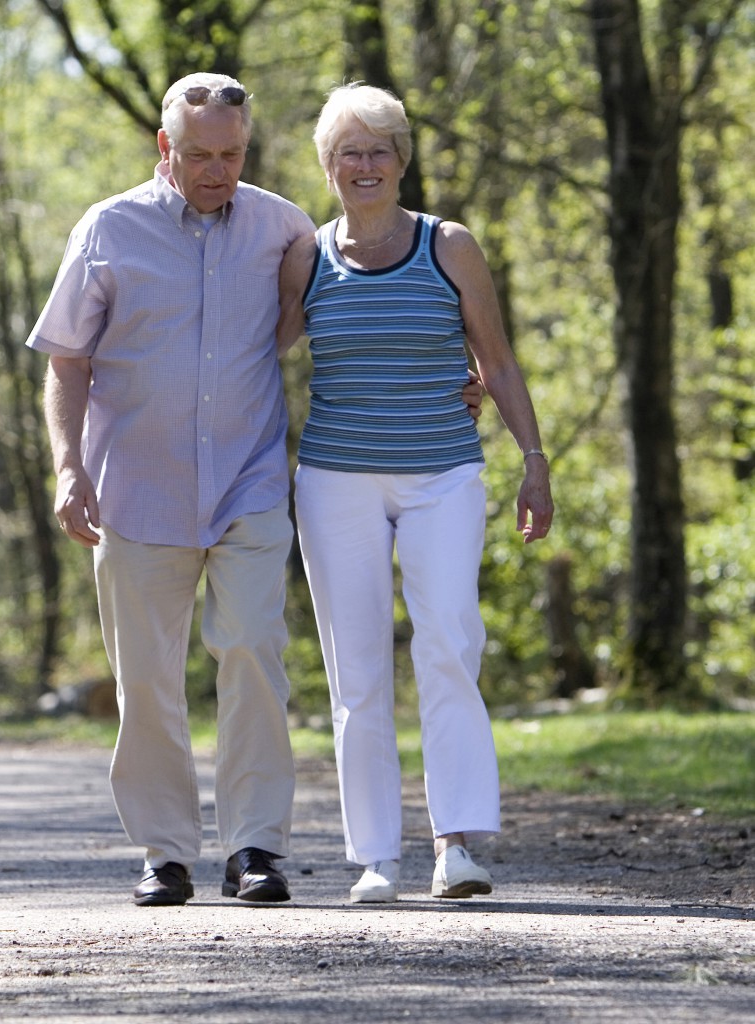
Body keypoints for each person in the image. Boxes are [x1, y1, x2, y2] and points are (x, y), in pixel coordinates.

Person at [28, 72, 483, 908]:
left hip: (248, 483)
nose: (217, 170)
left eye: (232, 154)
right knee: (150, 678)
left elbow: (355, 309)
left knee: (251, 653)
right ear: (166, 148)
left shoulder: (283, 229)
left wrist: (450, 381)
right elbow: (66, 360)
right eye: (199, 155)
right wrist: (68, 467)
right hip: (137, 489)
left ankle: (253, 848)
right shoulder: (108, 229)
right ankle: (166, 853)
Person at [277, 84, 554, 904]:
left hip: (443, 474)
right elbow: (256, 352)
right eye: (348, 152)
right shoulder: (307, 256)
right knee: (355, 670)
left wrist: (533, 459)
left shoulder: (450, 245)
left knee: (448, 643)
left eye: (380, 150)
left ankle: (456, 844)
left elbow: (497, 361)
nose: (365, 165)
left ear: (403, 160)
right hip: (335, 481)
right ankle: (374, 858)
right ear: (328, 167)